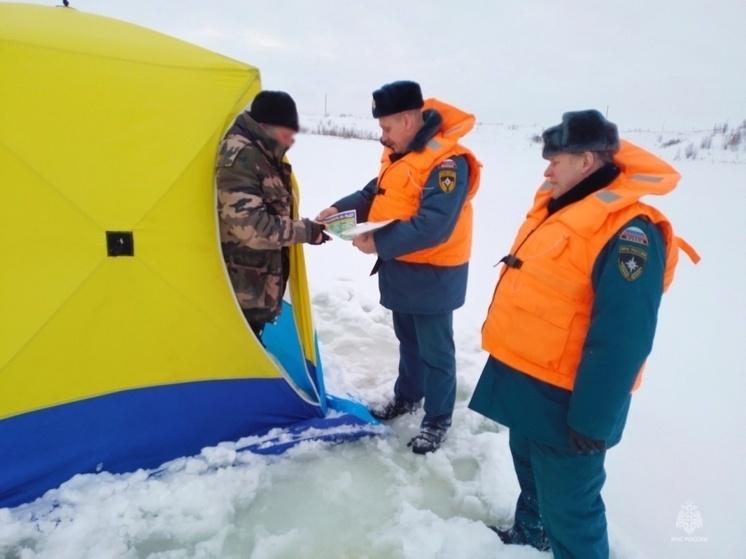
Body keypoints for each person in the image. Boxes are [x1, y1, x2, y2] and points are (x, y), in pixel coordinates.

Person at [469, 110, 699, 556]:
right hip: (527, 380)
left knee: (572, 508)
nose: (547, 168)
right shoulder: (564, 208)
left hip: (570, 399)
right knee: (531, 473)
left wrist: (592, 418)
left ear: (588, 161)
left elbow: (624, 335)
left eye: (556, 159)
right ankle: (531, 533)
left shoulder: (631, 232)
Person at [317, 81, 481, 454]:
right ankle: (407, 396)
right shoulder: (403, 154)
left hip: (434, 274)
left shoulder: (448, 164)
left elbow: (434, 225)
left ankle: (437, 421)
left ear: (409, 120)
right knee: (408, 341)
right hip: (402, 269)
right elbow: (373, 193)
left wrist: (379, 243)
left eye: (387, 128)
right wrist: (338, 210)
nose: (382, 137)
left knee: (436, 353)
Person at [216, 91, 328, 339]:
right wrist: (306, 231)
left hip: (256, 286)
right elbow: (252, 228)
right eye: (287, 135)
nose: (290, 143)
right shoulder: (242, 157)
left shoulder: (262, 151)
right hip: (240, 292)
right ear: (265, 127)